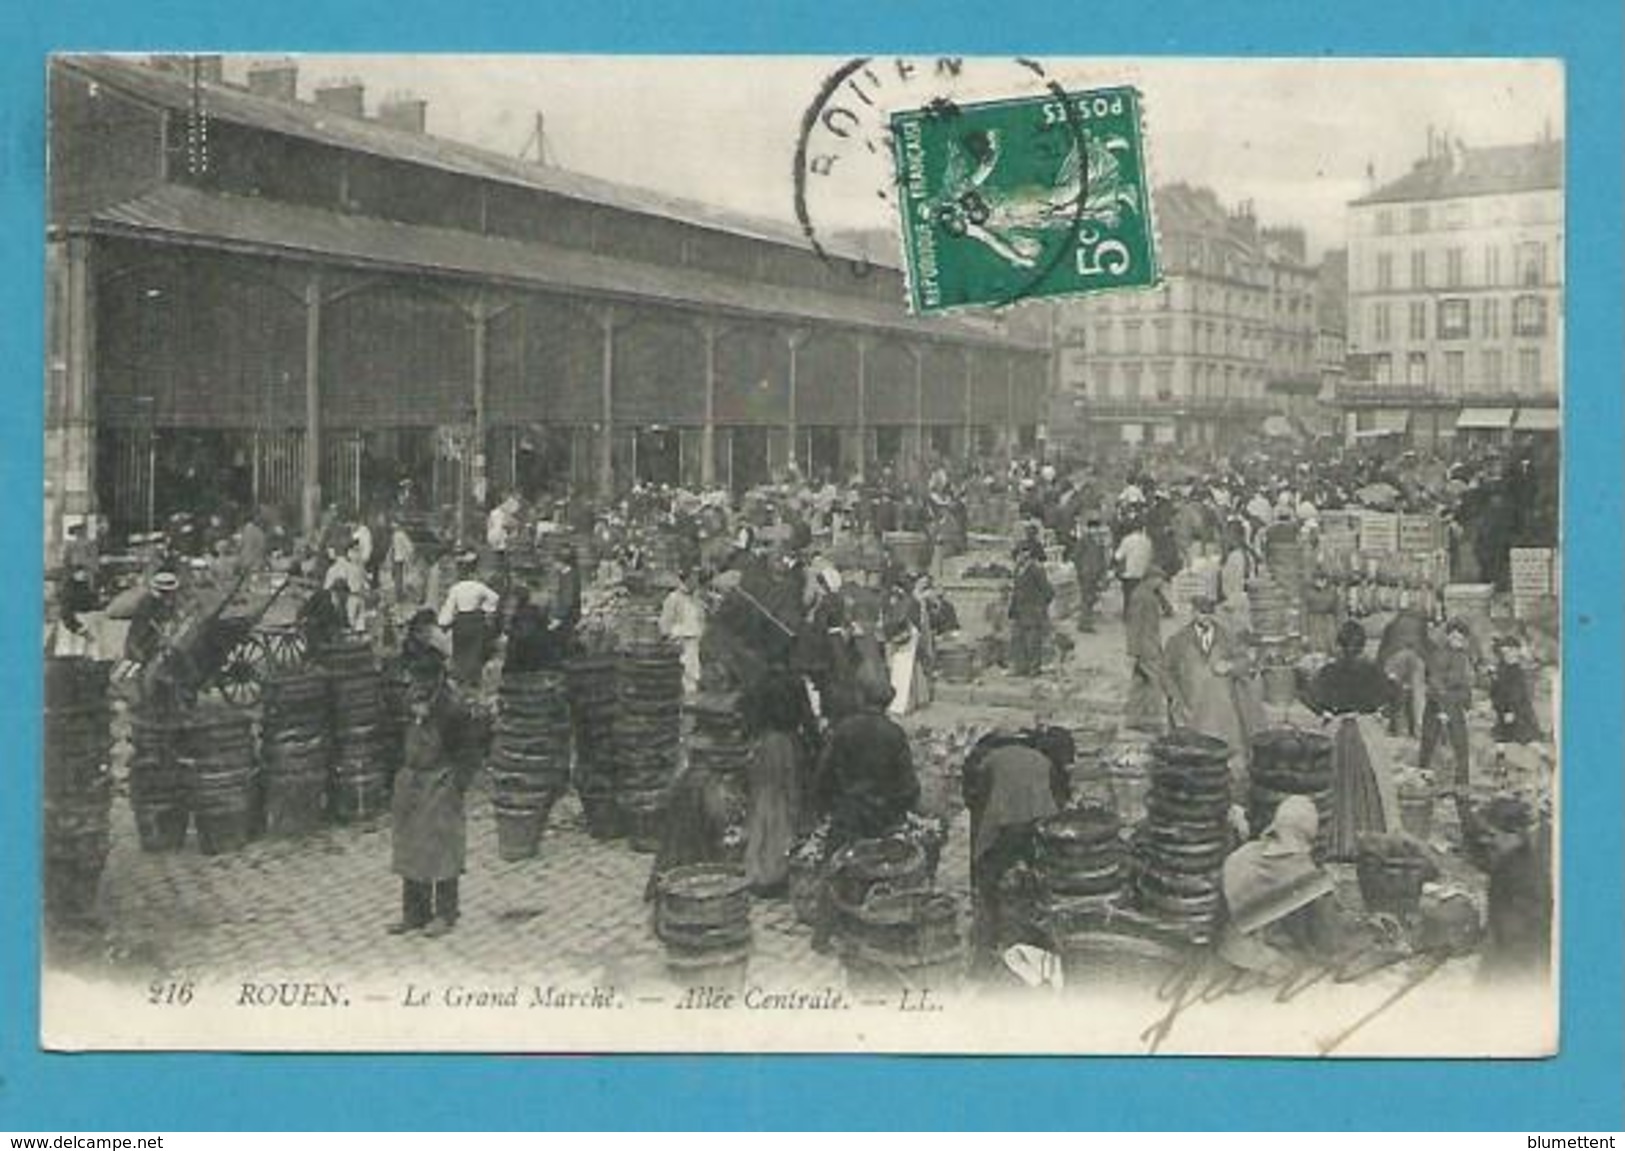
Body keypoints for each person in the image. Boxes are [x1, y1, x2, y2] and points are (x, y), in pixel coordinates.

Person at [962, 730, 1070, 973]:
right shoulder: (1042, 760)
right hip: (1041, 824)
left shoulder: (990, 759)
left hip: (1006, 825)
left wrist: (979, 847)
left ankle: (989, 941)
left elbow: (976, 800)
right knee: (1039, 878)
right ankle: (1040, 935)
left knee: (990, 877)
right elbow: (1060, 797)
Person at [387, 661, 480, 937]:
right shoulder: (405, 702)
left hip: (441, 781)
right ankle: (414, 914)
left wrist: (456, 785)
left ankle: (445, 913)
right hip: (411, 781)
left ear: (438, 677)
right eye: (415, 678)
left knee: (442, 849)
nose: (419, 685)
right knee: (410, 847)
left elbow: (470, 752)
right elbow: (392, 739)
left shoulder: (453, 709)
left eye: (425, 678)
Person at [1302, 620, 1401, 860]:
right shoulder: (1372, 670)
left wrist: (1324, 712)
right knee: (1374, 782)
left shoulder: (1328, 671)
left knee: (1333, 783)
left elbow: (1307, 695)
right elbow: (1396, 694)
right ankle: (1370, 841)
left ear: (1339, 645)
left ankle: (1334, 842)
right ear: (1363, 646)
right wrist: (1382, 713)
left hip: (1336, 731)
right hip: (1366, 731)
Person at [1219, 796, 1342, 975]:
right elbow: (1327, 940)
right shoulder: (1302, 871)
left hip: (1225, 940)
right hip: (1260, 956)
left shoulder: (1245, 852)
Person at [1164, 595, 1259, 800]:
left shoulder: (1226, 636)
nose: (1205, 617)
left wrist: (1231, 666)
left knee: (1228, 756)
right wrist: (1176, 699)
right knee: (1196, 754)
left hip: (1223, 711)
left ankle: (1231, 793)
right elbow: (1166, 673)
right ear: (1193, 612)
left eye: (1208, 613)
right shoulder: (1178, 640)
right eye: (1200, 612)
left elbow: (1245, 662)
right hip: (1193, 707)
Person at [1459, 795, 1552, 983]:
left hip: (1518, 963)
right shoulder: (1513, 862)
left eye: (1492, 835)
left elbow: (1512, 933)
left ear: (1515, 834)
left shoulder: (1518, 873)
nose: (1486, 842)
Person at [741, 673, 808, 897]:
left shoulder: (761, 739)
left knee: (760, 831)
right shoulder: (785, 743)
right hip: (778, 795)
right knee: (778, 833)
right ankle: (773, 877)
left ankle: (757, 874)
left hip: (762, 793)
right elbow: (789, 778)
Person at [1420, 618, 1475, 794]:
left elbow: (1466, 683)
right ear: (1448, 637)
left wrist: (1468, 703)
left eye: (1461, 639)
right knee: (1431, 741)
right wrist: (1442, 709)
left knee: (1460, 743)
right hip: (1438, 704)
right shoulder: (1439, 655)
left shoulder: (1463, 656)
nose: (1458, 642)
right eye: (1454, 638)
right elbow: (1435, 681)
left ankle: (1461, 785)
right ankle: (1425, 780)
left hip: (1455, 703)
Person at [1124, 568, 1177, 733]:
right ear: (1151, 578)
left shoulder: (1146, 594)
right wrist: (1134, 650)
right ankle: (1152, 719)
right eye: (1159, 579)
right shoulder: (1143, 596)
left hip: (1147, 645)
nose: (1161, 583)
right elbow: (1135, 624)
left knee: (1140, 683)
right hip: (1146, 648)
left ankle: (1134, 718)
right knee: (1155, 683)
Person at [437, 553, 501, 686]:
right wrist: (487, 610)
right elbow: (495, 597)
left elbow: (449, 607)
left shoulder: (456, 588)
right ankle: (472, 679)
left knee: (460, 650)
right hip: (476, 620)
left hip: (461, 620)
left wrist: (443, 623)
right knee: (474, 651)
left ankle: (461, 678)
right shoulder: (479, 586)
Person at [1378, 603, 1433, 738]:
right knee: (1418, 693)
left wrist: (1380, 669)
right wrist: (1431, 672)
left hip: (1394, 656)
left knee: (1397, 692)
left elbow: (1382, 648)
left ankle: (1398, 729)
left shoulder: (1391, 624)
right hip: (1415, 656)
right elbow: (1427, 646)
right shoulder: (1421, 624)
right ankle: (1419, 729)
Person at [1007, 541, 1053, 677]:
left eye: (1021, 553)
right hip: (1019, 611)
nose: (1019, 557)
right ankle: (1020, 668)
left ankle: (1034, 669)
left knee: (1032, 642)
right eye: (1017, 555)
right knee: (1017, 641)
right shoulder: (1017, 570)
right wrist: (1012, 609)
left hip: (1033, 612)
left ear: (1027, 554)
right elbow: (1016, 592)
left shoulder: (1036, 569)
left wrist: (1040, 607)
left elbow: (1048, 592)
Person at [658, 568, 706, 695]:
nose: (695, 581)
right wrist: (668, 637)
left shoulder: (697, 600)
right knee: (680, 675)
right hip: (679, 641)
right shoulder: (673, 598)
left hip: (693, 642)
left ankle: (690, 703)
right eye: (693, 578)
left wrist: (701, 631)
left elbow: (700, 619)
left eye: (697, 578)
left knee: (693, 675)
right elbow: (665, 620)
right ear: (687, 579)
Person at [1489, 635, 1543, 744]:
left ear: (1517, 652)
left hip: (1519, 709)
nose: (1508, 656)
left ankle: (1543, 753)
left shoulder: (1517, 670)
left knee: (1525, 736)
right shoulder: (1503, 668)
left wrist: (1510, 710)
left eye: (1511, 652)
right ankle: (1500, 756)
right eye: (1505, 653)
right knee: (1503, 735)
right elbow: (1498, 689)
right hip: (1507, 707)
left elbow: (1519, 692)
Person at [503, 586, 567, 675]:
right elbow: (545, 624)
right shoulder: (535, 609)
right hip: (537, 650)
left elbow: (508, 630)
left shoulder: (515, 614)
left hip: (520, 650)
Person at [1070, 518, 1108, 633]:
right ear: (1088, 529)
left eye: (1096, 528)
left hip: (1094, 573)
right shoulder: (1084, 540)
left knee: (1091, 598)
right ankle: (1085, 623)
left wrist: (1102, 572)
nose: (1095, 530)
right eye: (1093, 528)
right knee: (1087, 598)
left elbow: (1102, 558)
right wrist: (1080, 570)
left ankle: (1085, 621)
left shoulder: (1098, 541)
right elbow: (1076, 556)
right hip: (1086, 573)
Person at [1113, 517, 1155, 612]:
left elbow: (1118, 556)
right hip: (1143, 573)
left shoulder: (1127, 540)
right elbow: (1151, 556)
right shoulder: (1147, 541)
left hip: (1129, 574)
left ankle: (1128, 615)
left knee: (1128, 596)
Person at [386, 521, 416, 604]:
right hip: (399, 558)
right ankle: (399, 595)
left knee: (398, 577)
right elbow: (409, 547)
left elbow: (393, 547)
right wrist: (410, 555)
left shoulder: (397, 535)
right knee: (398, 577)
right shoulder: (400, 535)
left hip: (397, 558)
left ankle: (399, 594)